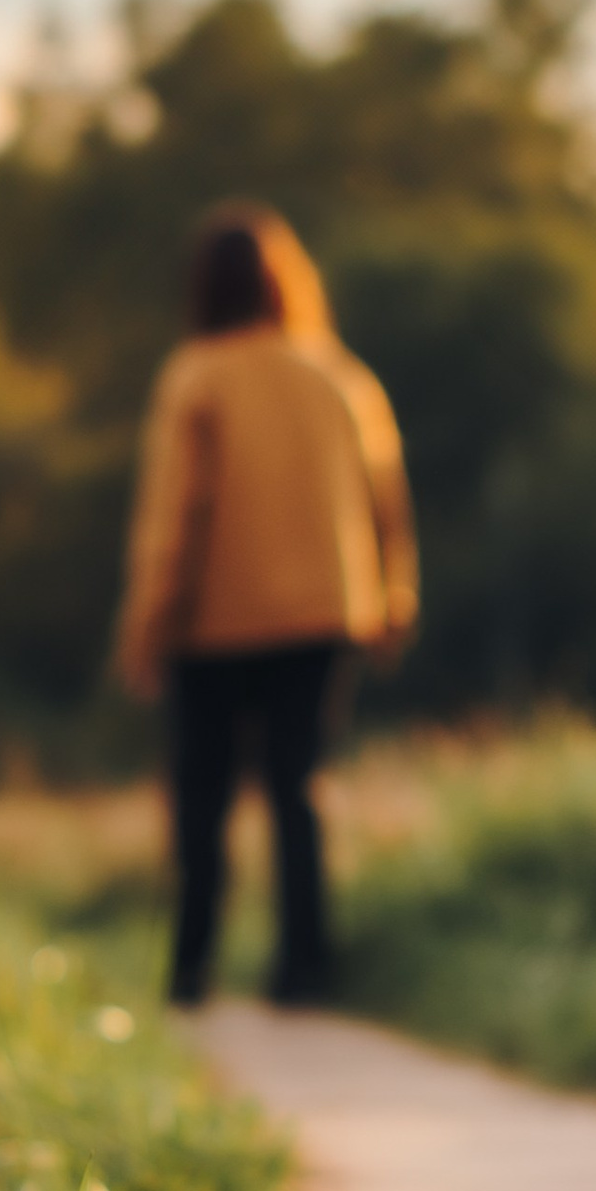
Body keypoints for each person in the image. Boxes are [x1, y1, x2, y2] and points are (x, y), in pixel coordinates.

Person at [116, 203, 417, 1006]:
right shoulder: (337, 373)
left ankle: (192, 969)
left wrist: (146, 626)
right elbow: (387, 497)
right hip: (324, 616)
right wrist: (394, 598)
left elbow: (170, 519)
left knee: (203, 798)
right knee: (299, 792)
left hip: (213, 624)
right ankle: (306, 969)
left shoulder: (195, 376)